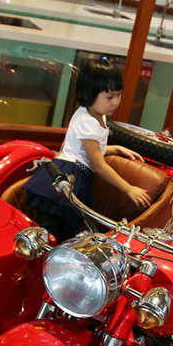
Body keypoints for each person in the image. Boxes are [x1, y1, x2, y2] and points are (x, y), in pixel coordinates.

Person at [23, 59, 152, 242]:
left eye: (118, 95)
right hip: (68, 175)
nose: (115, 102)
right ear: (89, 94)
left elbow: (90, 148)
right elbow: (99, 165)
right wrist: (128, 188)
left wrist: (116, 148)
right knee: (51, 232)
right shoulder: (87, 121)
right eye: (109, 97)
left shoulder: (97, 114)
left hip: (74, 173)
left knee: (62, 231)